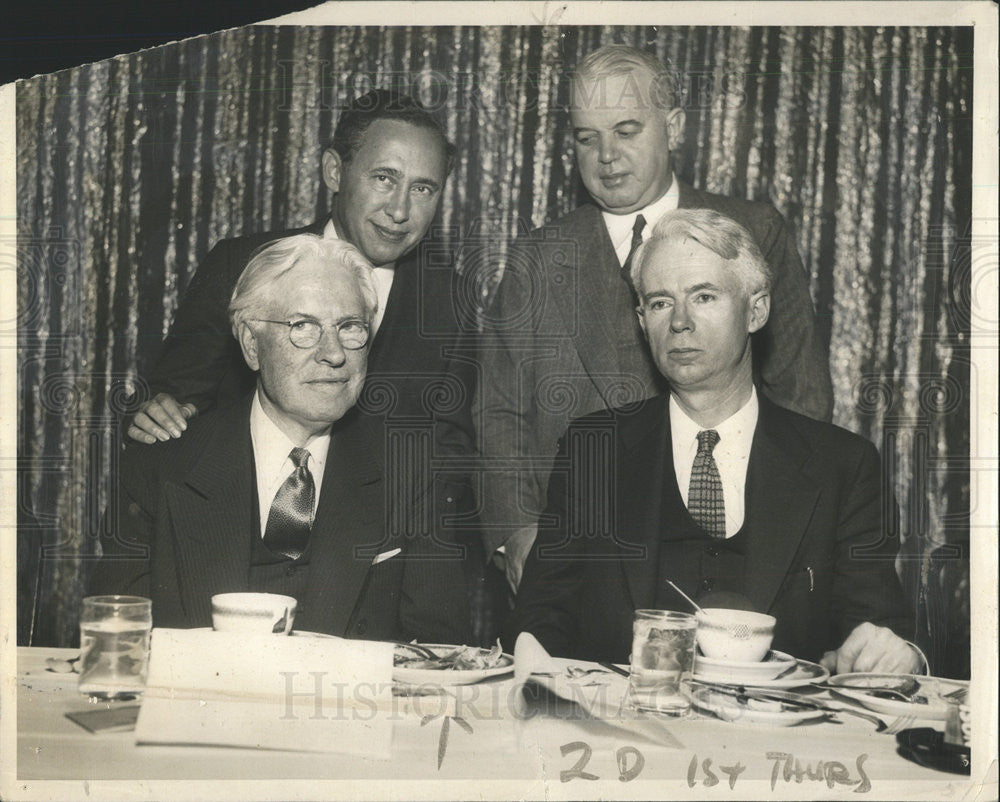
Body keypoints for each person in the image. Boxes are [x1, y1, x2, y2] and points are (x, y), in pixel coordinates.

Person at [476, 45, 833, 591]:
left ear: (673, 126)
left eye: (626, 129)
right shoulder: (539, 258)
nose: (606, 156)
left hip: (731, 551)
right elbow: (500, 414)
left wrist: (776, 535)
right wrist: (516, 532)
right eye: (585, 137)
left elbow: (801, 395)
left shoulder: (754, 230)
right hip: (578, 561)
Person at [508, 209, 920, 674]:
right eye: (661, 303)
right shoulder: (592, 450)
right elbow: (541, 621)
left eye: (704, 296)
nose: (680, 321)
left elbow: (878, 631)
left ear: (756, 309)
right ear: (642, 320)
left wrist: (895, 654)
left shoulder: (843, 465)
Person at [90, 235, 471, 643]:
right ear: (252, 345)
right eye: (303, 327)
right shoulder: (161, 467)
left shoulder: (411, 472)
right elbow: (116, 645)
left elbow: (441, 659)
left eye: (350, 327)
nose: (334, 353)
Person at [128, 88, 470, 447]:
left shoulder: (450, 303)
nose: (399, 211)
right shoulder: (239, 265)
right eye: (384, 178)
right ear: (335, 172)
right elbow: (169, 404)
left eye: (423, 189)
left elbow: (450, 452)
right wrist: (159, 416)